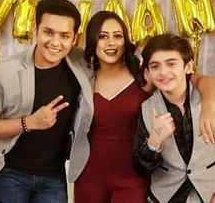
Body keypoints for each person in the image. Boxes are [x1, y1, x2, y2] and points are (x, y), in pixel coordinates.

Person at [71, 11, 215, 203]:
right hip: (90, 174)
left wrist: (210, 103)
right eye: (103, 36)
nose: (111, 43)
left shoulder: (144, 76)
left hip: (133, 176)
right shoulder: (84, 79)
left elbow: (195, 79)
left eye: (117, 36)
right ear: (92, 41)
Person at [0, 0, 93, 203]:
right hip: (9, 174)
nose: (56, 43)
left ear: (74, 38)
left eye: (64, 35)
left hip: (55, 176)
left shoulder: (81, 65)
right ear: (35, 29)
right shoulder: (4, 69)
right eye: (48, 32)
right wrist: (28, 122)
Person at [133, 33, 215, 203]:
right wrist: (154, 142)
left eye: (171, 64)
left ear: (188, 66)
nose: (163, 72)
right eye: (155, 66)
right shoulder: (146, 108)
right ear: (147, 72)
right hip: (165, 198)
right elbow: (140, 168)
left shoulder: (209, 100)